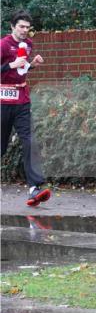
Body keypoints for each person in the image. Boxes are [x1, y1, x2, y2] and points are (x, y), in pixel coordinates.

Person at [1, 11, 50, 207]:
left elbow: (21, 71)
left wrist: (32, 65)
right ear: (12, 26)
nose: (24, 31)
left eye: (27, 28)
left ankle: (34, 188)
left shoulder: (28, 45)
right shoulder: (3, 45)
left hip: (22, 100)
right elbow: (12, 67)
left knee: (29, 140)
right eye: (21, 26)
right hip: (2, 101)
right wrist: (11, 63)